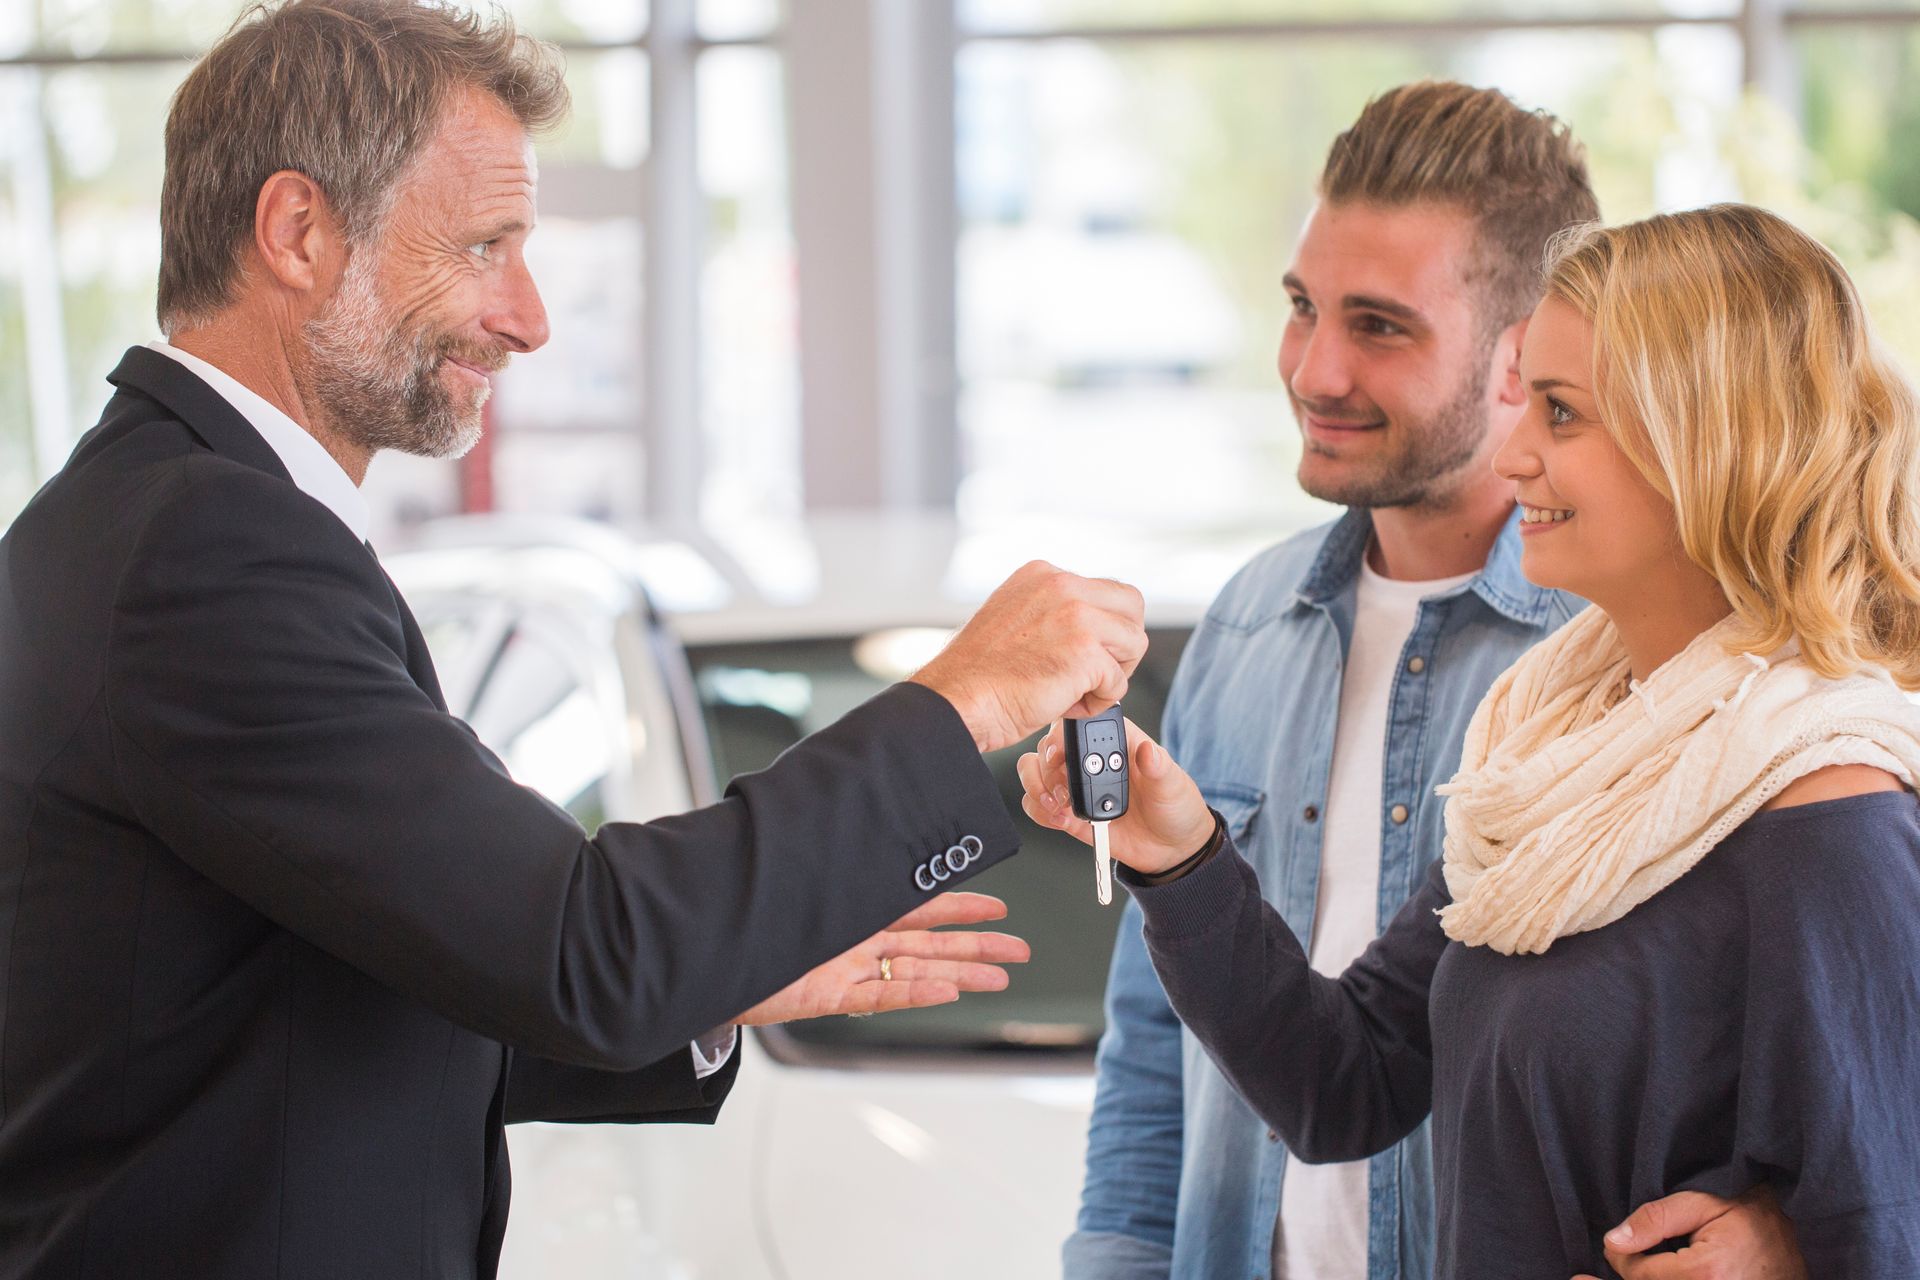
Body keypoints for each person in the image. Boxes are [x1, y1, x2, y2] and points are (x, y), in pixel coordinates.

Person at [0, 3, 1147, 1275]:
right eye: (487, 245)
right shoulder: (208, 549)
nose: (530, 316)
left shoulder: (159, 514)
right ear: (298, 232)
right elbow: (579, 948)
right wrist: (964, 698)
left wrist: (721, 978)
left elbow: (301, 1008)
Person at [1025, 202, 1920, 1277]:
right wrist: (1177, 850)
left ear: (1706, 442)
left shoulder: (1826, 807)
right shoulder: (1545, 756)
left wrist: (1796, 1258)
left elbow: (1880, 1212)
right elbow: (1341, 1081)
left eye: (1561, 412)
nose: (1519, 451)